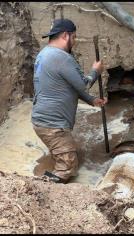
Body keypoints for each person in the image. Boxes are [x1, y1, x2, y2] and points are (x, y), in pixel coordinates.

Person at [31, 18, 107, 184]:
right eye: (74, 37)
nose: (75, 42)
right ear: (66, 35)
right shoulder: (62, 58)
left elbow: (67, 87)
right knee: (68, 168)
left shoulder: (44, 54)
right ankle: (40, 190)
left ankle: (57, 156)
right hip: (53, 125)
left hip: (44, 121)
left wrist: (91, 100)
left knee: (65, 155)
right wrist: (96, 71)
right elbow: (83, 84)